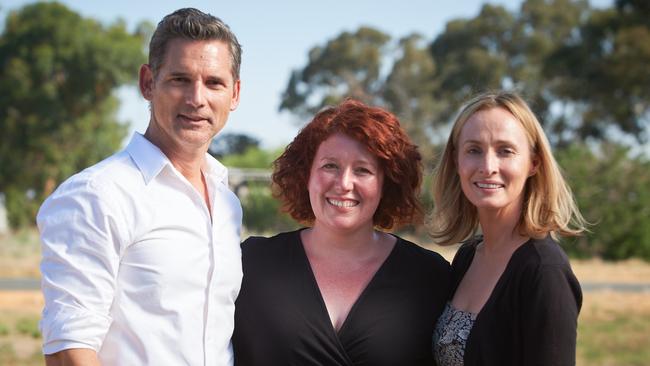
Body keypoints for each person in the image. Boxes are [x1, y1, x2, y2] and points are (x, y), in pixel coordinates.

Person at [37, 8, 243, 365]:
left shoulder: (227, 201)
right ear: (148, 83)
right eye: (180, 79)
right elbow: (69, 350)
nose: (197, 98)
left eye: (214, 83)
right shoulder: (97, 195)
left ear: (235, 94)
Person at [232, 99, 451, 366]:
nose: (344, 183)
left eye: (363, 170)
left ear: (387, 183)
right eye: (330, 166)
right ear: (306, 175)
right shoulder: (251, 264)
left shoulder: (429, 276)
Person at [429, 91, 587, 366]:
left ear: (533, 164)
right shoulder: (468, 256)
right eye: (474, 150)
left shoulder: (544, 272)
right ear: (457, 161)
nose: (488, 166)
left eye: (506, 151)